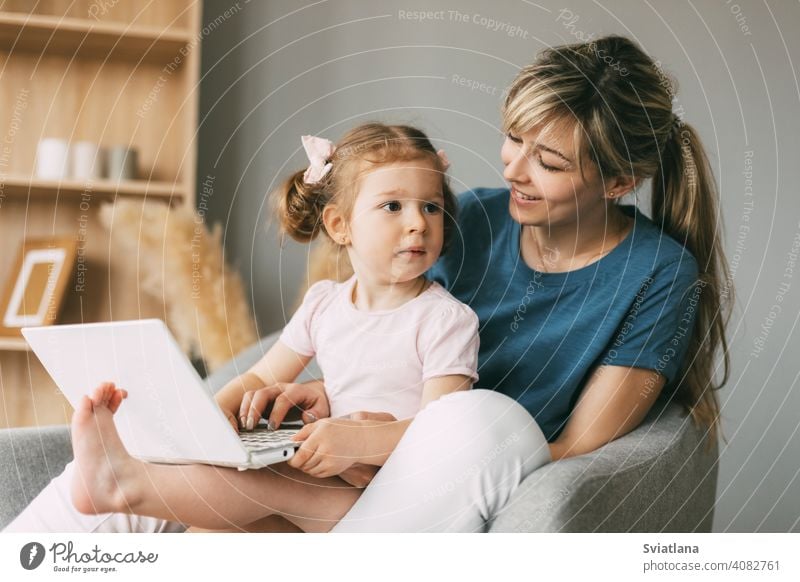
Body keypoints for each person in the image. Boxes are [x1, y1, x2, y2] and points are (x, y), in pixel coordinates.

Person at [6, 34, 731, 533]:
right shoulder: (466, 218)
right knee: (133, 471)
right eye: (514, 137)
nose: (511, 167)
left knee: (479, 421)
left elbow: (564, 451)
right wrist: (330, 396)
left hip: (462, 474)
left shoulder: (657, 276)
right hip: (365, 462)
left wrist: (380, 444)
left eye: (547, 160)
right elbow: (395, 333)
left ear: (619, 181)